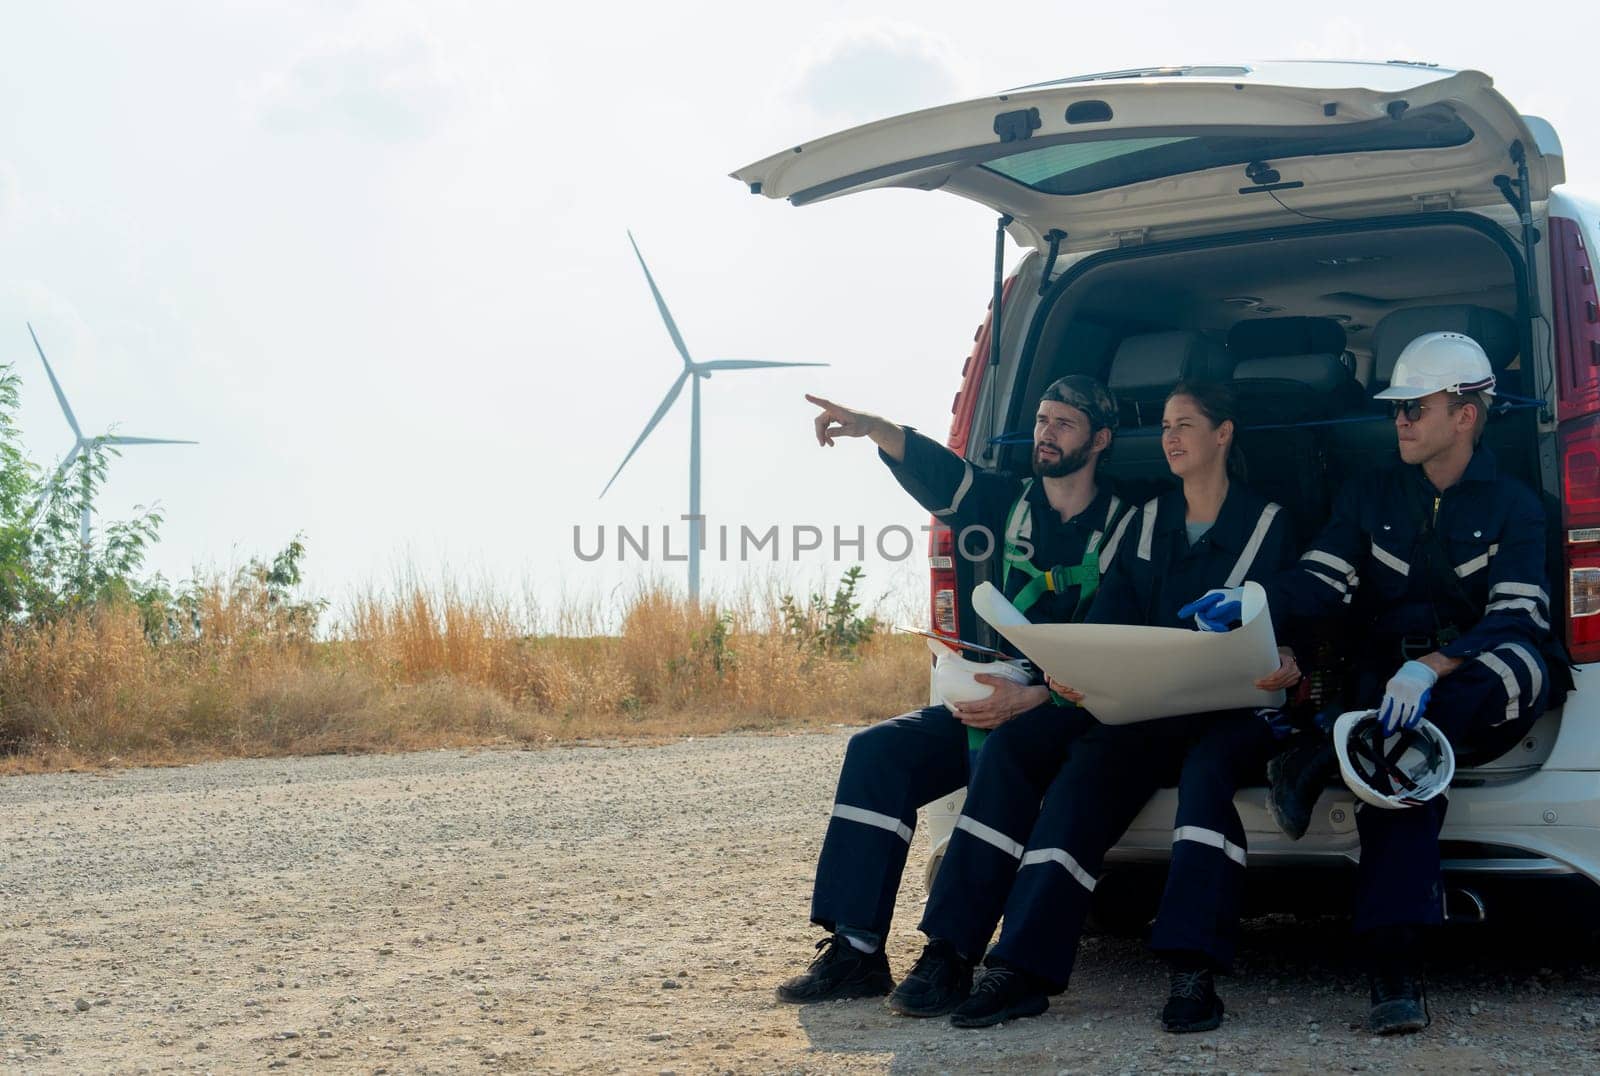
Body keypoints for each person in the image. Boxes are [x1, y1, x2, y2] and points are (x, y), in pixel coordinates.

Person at [941, 381, 1301, 1033]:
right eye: (1164, 425)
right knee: (1081, 779)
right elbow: (1113, 616)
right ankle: (1017, 968)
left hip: (1234, 712)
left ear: (1223, 435)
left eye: (1185, 424)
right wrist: (1078, 673)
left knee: (1205, 779)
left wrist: (1295, 659)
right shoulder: (1146, 521)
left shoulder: (1269, 522)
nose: (1169, 438)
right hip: (1147, 706)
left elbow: (1298, 615)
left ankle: (1194, 973)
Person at [776, 376, 1132, 1013]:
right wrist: (874, 427)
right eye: (1043, 420)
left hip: (1082, 708)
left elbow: (1125, 641)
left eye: (1064, 424)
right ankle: (856, 949)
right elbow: (942, 472)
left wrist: (1040, 699)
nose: (1046, 433)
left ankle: (950, 953)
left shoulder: (1128, 525)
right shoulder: (1005, 500)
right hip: (999, 696)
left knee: (1005, 756)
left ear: (1100, 440)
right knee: (877, 752)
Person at [1262, 331, 1554, 1034]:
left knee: (1421, 720)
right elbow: (1320, 583)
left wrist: (1435, 666)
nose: (1399, 421)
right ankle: (1395, 970)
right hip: (1391, 683)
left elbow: (1519, 614)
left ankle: (1327, 753)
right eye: (1396, 408)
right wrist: (1248, 604)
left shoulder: (1517, 504)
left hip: (1486, 673)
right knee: (1402, 764)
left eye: (1415, 408)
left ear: (1466, 414)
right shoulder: (1369, 493)